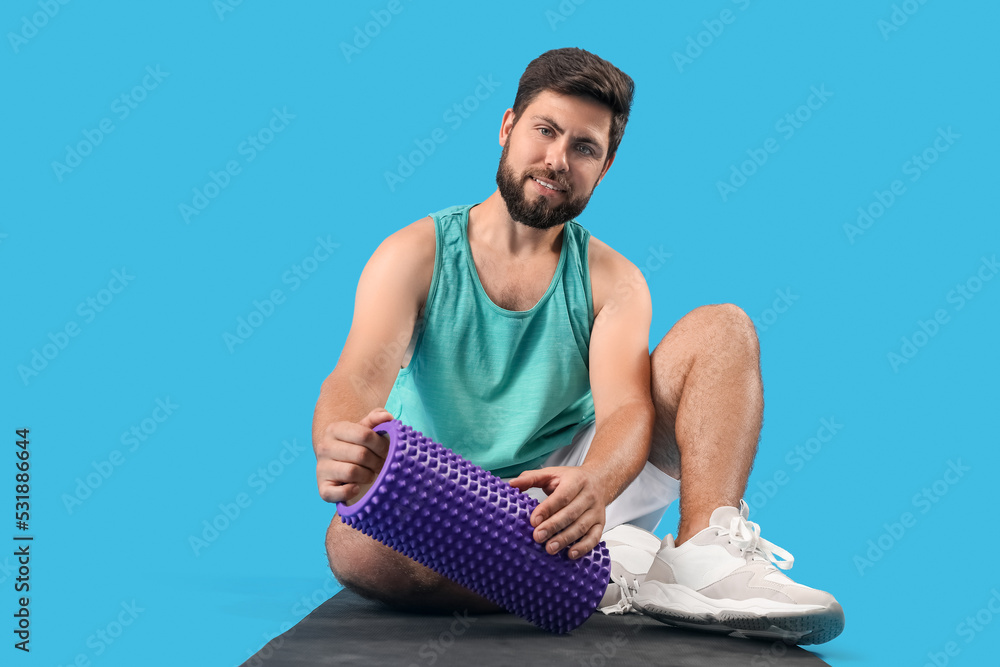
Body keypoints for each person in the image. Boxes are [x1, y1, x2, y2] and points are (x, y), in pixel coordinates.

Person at [313, 47, 844, 645]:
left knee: (723, 329)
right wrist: (340, 440)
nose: (557, 159)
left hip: (575, 499)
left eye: (584, 147)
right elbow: (357, 376)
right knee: (354, 550)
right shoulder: (414, 254)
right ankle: (613, 574)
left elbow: (626, 410)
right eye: (545, 130)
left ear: (606, 165)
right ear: (507, 127)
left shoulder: (613, 280)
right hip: (449, 504)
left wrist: (595, 482)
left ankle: (701, 562)